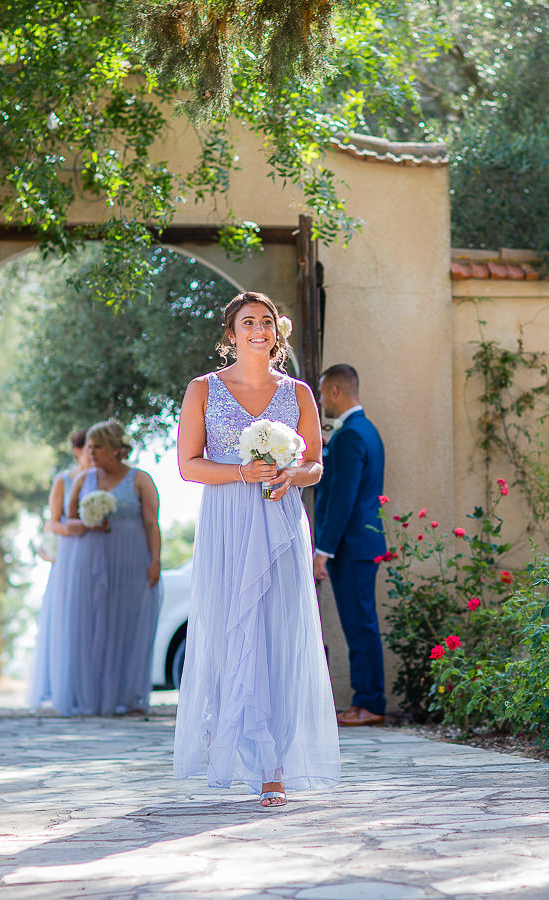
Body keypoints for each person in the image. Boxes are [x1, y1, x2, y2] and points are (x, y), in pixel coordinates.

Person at [173, 291, 339, 809]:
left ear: (277, 331)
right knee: (232, 636)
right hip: (227, 522)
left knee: (280, 635)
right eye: (248, 323)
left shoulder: (300, 393)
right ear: (231, 334)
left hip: (282, 522)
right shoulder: (203, 390)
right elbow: (188, 465)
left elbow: (316, 464)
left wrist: (293, 473)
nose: (259, 330)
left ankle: (275, 766)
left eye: (267, 322)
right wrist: (240, 472)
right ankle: (235, 742)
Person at [64, 421, 163, 716]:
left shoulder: (140, 479)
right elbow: (68, 521)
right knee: (92, 625)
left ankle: (129, 697)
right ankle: (91, 698)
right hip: (90, 560)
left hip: (132, 560)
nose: (91, 453)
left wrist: (155, 559)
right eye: (89, 447)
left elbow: (150, 523)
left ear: (116, 449)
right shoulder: (84, 480)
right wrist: (87, 523)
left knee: (129, 624)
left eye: (97, 447)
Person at [312, 364, 389, 727]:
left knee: (360, 627)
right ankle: (366, 700)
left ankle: (369, 704)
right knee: (362, 624)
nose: (321, 400)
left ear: (335, 392)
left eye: (323, 392)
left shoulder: (351, 436)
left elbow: (342, 498)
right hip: (361, 544)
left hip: (352, 546)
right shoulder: (365, 430)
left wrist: (323, 550)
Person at [27, 428, 95, 713]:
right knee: (68, 618)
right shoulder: (64, 481)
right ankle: (66, 685)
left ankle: (91, 684)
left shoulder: (103, 480)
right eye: (89, 448)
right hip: (69, 556)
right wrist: (74, 528)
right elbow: (52, 522)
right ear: (77, 451)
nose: (93, 453)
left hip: (97, 555)